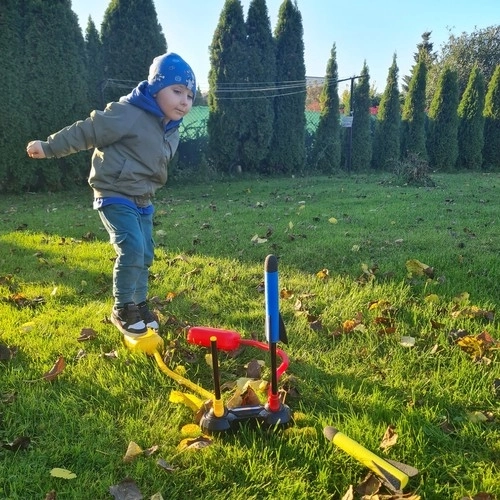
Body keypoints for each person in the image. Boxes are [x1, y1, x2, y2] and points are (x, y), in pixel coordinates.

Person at [26, 53, 196, 337]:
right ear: (155, 88)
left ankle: (138, 304)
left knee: (145, 253)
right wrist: (49, 146)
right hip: (114, 193)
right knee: (131, 248)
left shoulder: (171, 128)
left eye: (190, 96)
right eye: (177, 91)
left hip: (143, 199)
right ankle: (122, 309)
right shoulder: (128, 112)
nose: (184, 101)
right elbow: (89, 130)